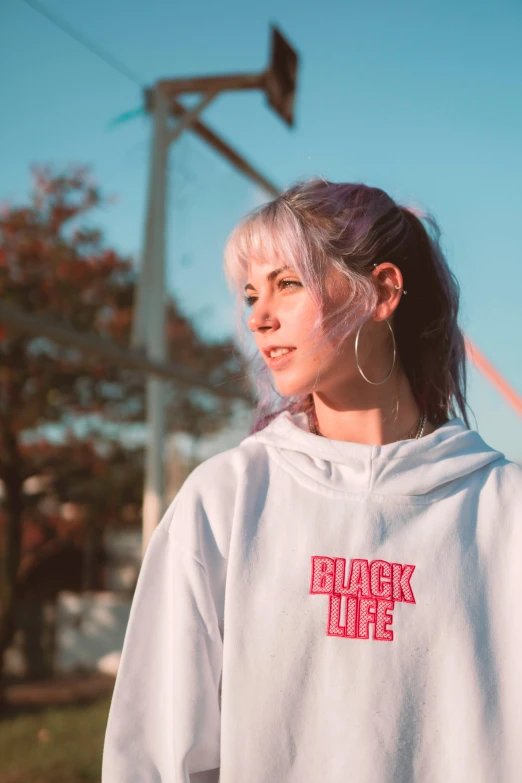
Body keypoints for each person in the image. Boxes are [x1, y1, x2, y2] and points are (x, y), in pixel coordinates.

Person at [101, 179, 522, 783]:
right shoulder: (225, 501)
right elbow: (155, 755)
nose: (257, 317)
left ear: (381, 292)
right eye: (250, 294)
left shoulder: (505, 511)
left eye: (287, 284)